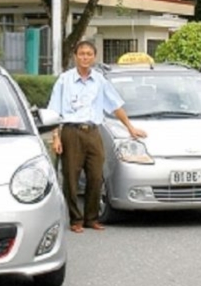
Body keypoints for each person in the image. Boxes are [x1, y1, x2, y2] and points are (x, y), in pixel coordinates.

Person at [48, 41, 146, 233]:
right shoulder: (64, 80)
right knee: (71, 177)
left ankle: (91, 218)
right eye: (81, 54)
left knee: (95, 176)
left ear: (94, 57)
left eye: (89, 54)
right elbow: (54, 110)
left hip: (93, 131)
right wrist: (56, 137)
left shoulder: (100, 80)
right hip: (71, 132)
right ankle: (75, 219)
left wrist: (130, 128)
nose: (85, 57)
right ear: (75, 56)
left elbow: (115, 105)